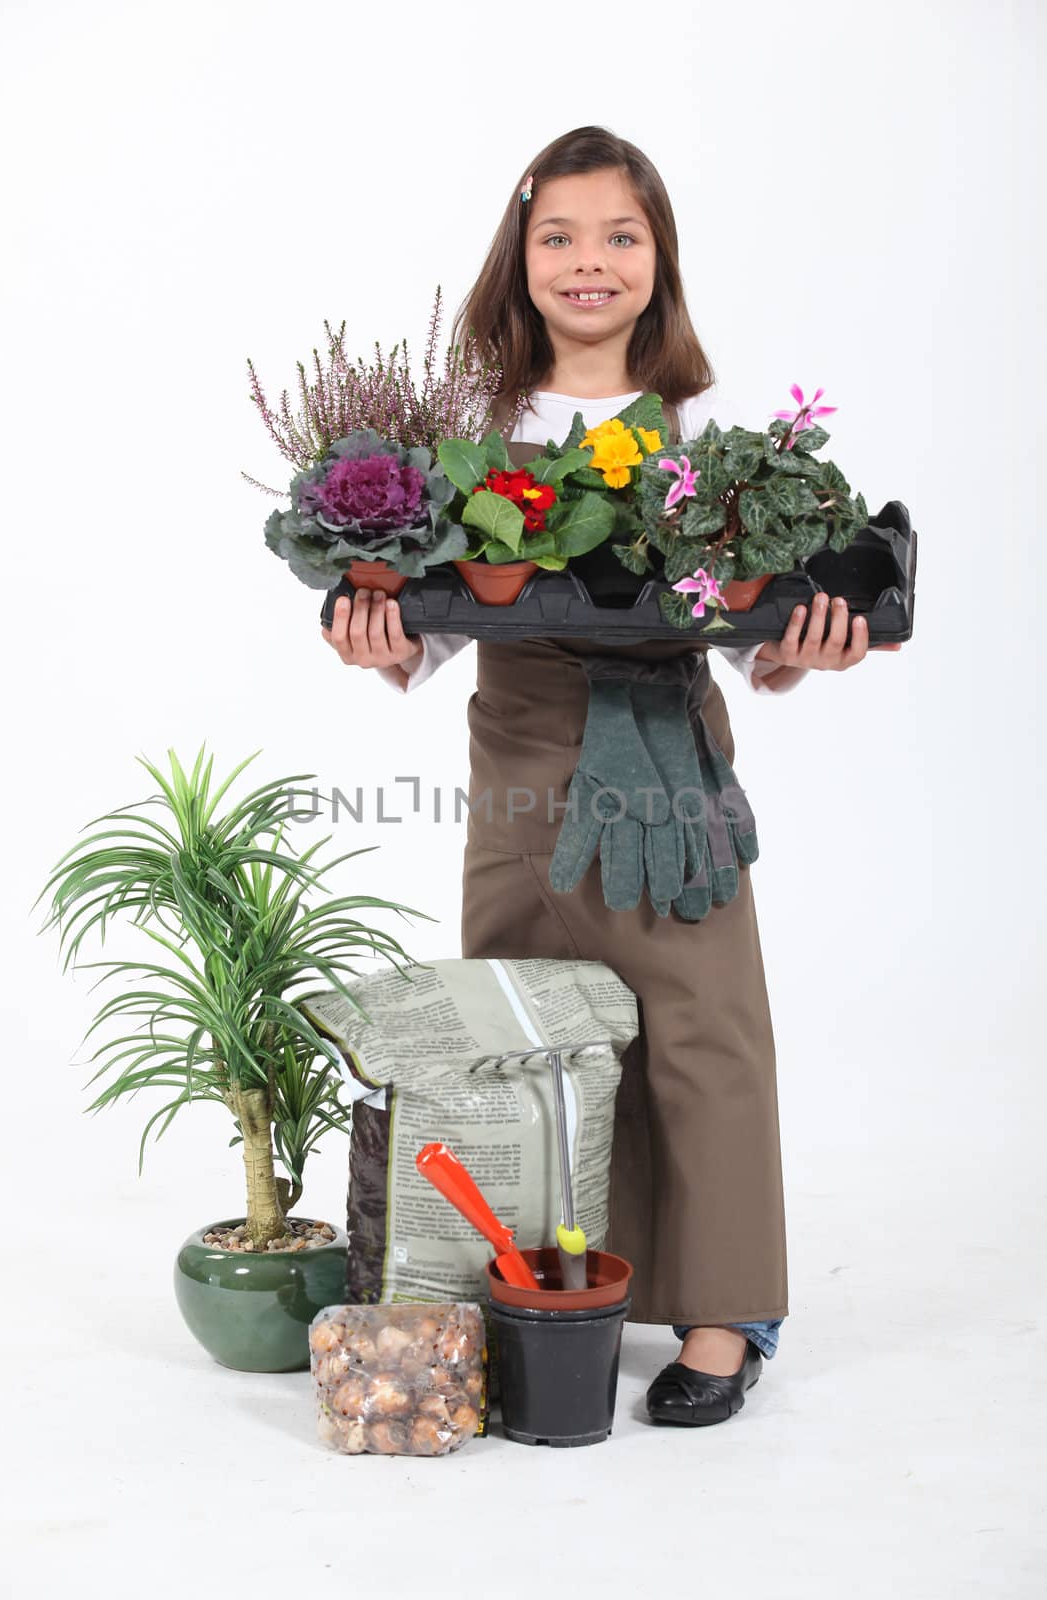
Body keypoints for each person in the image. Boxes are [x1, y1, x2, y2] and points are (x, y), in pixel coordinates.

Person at [321, 126, 902, 1427]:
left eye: (621, 237)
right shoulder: (473, 435)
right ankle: (530, 1286)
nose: (591, 262)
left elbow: (741, 631)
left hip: (668, 748)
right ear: (519, 256)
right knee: (527, 1036)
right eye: (561, 236)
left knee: (702, 1028)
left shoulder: (705, 441)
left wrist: (802, 652)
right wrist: (377, 639)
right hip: (522, 750)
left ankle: (723, 1309)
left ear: (662, 259)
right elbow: (429, 633)